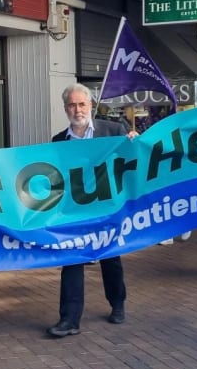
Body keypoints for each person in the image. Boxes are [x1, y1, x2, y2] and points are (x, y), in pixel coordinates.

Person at [46, 83, 137, 338]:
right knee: (73, 260)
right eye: (72, 105)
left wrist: (133, 141)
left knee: (110, 257)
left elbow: (135, 158)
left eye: (82, 104)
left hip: (107, 208)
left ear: (90, 105)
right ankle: (69, 319)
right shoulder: (58, 141)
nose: (78, 110)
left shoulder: (113, 131)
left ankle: (117, 304)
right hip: (75, 211)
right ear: (66, 109)